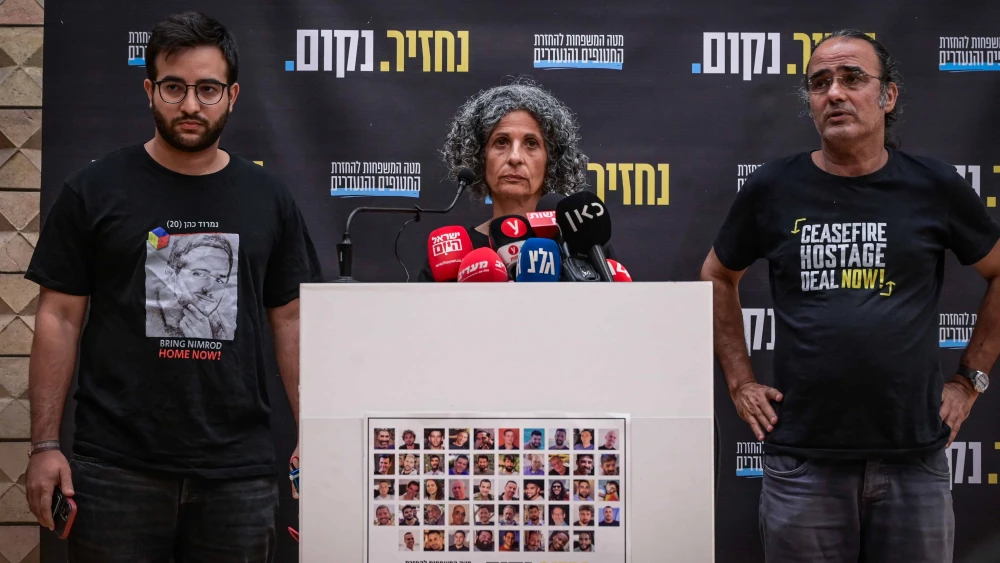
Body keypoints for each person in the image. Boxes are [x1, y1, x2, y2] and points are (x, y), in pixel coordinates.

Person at [23, 12, 321, 563]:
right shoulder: (94, 190)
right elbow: (58, 317)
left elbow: (293, 320)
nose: (190, 105)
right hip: (115, 469)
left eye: (207, 89)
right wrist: (43, 445)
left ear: (232, 95)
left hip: (238, 474)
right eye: (174, 87)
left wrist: (316, 432)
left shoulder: (269, 199)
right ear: (149, 90)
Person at [700, 29, 1000, 563]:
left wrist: (969, 380)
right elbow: (718, 275)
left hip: (914, 460)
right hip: (803, 464)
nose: (834, 93)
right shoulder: (772, 188)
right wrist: (740, 380)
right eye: (820, 83)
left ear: (888, 96)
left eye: (852, 78)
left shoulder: (934, 185)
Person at [418, 78, 615, 281]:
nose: (514, 157)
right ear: (479, 157)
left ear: (552, 160)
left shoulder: (584, 245)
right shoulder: (448, 257)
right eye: (501, 142)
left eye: (531, 143)